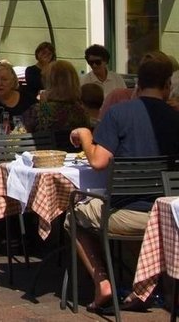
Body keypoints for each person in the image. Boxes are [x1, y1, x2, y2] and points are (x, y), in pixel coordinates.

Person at [68, 57, 179, 313]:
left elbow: (97, 160)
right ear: (166, 86)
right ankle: (150, 281)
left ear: (137, 84)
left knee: (73, 212)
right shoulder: (174, 118)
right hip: (167, 214)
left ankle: (102, 282)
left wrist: (85, 136)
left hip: (128, 213)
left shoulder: (120, 113)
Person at [24, 60, 90, 134]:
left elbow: (29, 130)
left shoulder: (36, 111)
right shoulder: (82, 111)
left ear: (48, 83)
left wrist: (43, 105)